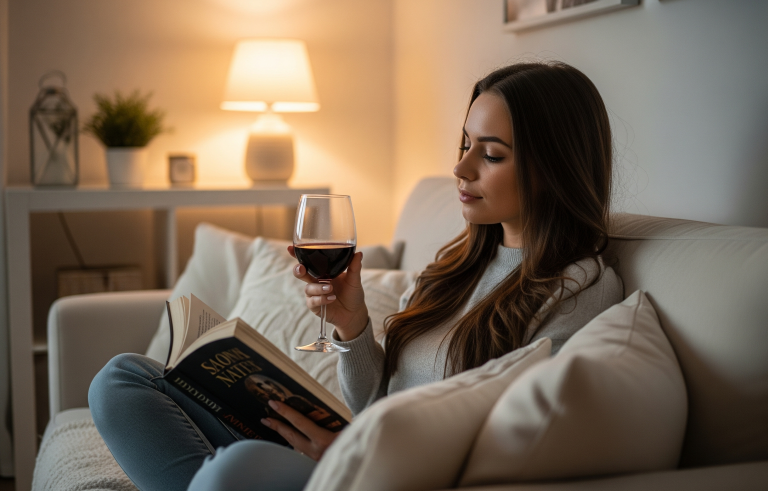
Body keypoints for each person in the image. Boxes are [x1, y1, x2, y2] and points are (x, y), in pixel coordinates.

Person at [89, 61, 623, 491]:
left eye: (491, 155)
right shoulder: (456, 266)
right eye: (464, 145)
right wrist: (353, 328)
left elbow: (511, 445)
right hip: (344, 450)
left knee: (234, 470)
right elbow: (374, 404)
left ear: (553, 167)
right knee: (121, 380)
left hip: (376, 474)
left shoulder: (578, 288)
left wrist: (353, 456)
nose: (460, 170)